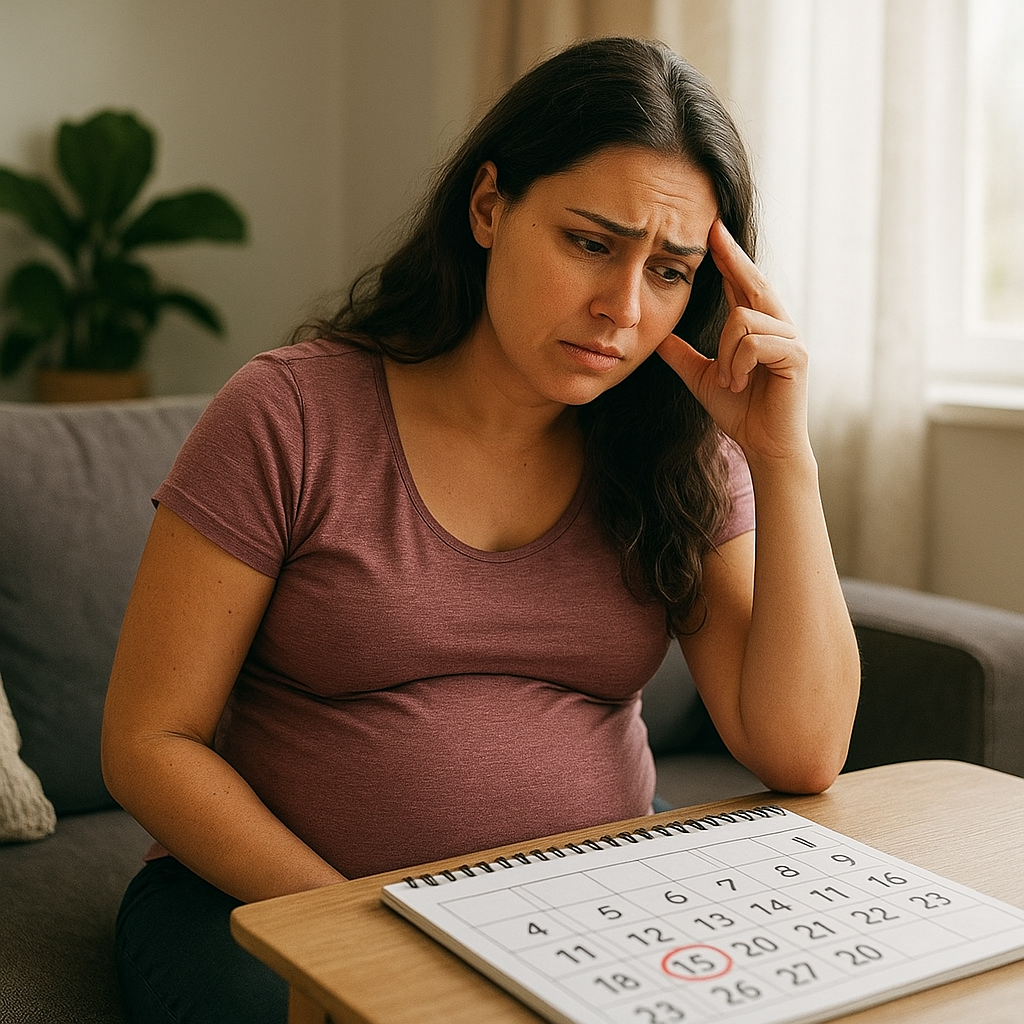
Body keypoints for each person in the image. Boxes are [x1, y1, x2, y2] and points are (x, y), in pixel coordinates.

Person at [101, 35, 860, 1024]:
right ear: (490, 207)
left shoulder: (680, 450)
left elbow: (800, 752)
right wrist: (360, 924)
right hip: (272, 906)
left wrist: (781, 460)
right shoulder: (290, 414)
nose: (621, 309)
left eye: (670, 271)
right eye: (590, 242)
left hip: (580, 905)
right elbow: (150, 739)